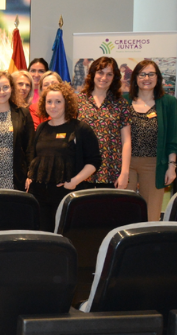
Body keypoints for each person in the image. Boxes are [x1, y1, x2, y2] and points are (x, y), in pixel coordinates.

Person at [26, 82, 101, 231]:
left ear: (67, 103)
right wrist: (30, 176)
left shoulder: (80, 128)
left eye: (58, 102)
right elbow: (36, 157)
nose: (53, 106)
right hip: (40, 194)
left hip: (67, 192)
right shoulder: (41, 128)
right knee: (43, 235)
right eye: (49, 102)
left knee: (64, 235)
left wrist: (74, 181)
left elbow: (94, 161)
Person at [124, 60, 177, 221]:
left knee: (151, 214)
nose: (146, 78)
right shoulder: (123, 100)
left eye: (151, 74)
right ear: (135, 78)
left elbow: (173, 138)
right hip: (126, 165)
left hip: (154, 165)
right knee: (124, 211)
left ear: (158, 77)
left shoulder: (168, 103)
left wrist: (172, 166)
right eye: (142, 74)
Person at [77, 57, 132, 190]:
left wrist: (125, 173)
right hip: (82, 171)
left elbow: (126, 141)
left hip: (111, 172)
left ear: (114, 77)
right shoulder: (78, 101)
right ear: (93, 74)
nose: (104, 77)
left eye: (109, 74)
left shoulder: (121, 104)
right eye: (100, 72)